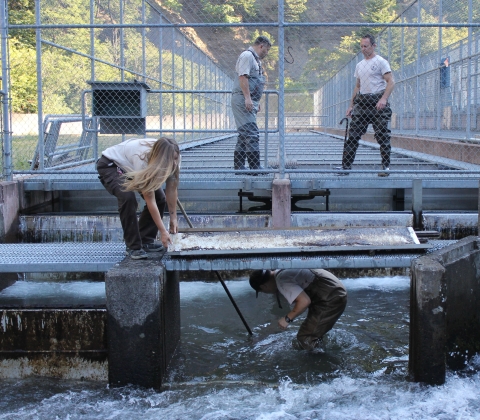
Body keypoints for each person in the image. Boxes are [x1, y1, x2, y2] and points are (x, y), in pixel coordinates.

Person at [96, 137, 180, 259]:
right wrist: (163, 231)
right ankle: (133, 247)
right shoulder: (142, 159)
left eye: (176, 158)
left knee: (160, 198)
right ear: (160, 160)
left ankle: (145, 240)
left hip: (133, 165)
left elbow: (172, 188)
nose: (174, 163)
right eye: (171, 160)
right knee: (127, 197)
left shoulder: (175, 158)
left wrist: (174, 218)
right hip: (112, 165)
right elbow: (149, 200)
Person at [337, 34, 395, 177]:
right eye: (361, 46)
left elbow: (391, 82)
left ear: (373, 46)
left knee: (382, 136)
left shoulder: (381, 62)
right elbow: (357, 86)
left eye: (366, 46)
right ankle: (346, 167)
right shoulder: (359, 65)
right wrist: (351, 105)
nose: (363, 49)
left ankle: (385, 167)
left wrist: (383, 99)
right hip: (362, 103)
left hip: (377, 103)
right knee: (353, 135)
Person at [249, 268, 347, 350]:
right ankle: (318, 350)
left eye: (263, 291)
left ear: (263, 286)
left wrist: (287, 319)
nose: (268, 293)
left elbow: (304, 301)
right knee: (312, 332)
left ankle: (319, 366)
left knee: (305, 338)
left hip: (330, 296)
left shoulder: (281, 280)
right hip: (331, 289)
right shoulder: (281, 270)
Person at [231, 35, 271, 173]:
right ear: (261, 46)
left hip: (248, 100)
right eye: (266, 50)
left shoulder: (254, 60)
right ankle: (255, 167)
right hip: (242, 99)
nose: (266, 53)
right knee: (251, 133)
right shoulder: (247, 56)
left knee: (244, 134)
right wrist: (248, 98)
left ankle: (239, 167)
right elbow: (243, 77)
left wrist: (254, 101)